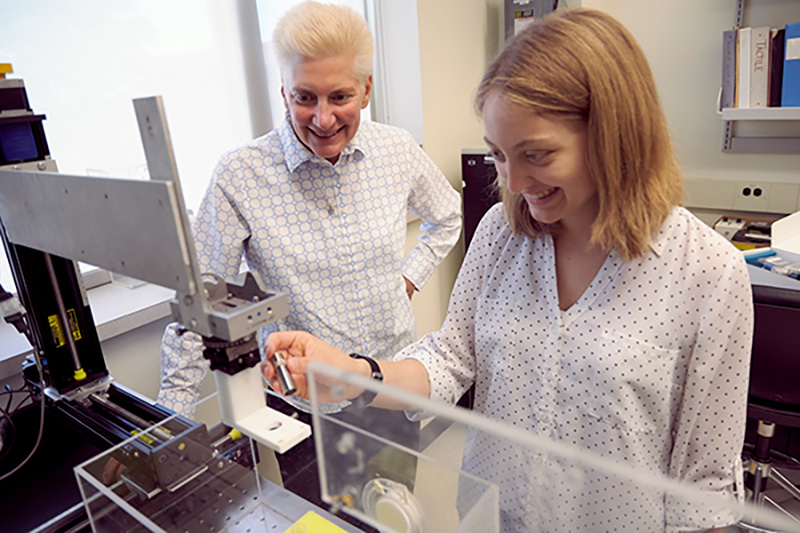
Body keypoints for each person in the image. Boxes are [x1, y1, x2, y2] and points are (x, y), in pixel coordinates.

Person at [262, 7, 753, 533]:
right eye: (498, 155)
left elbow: (705, 488)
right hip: (492, 517)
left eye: (536, 155)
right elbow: (453, 355)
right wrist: (356, 377)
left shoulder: (707, 272)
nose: (514, 181)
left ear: (613, 135)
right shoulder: (502, 231)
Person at [157, 0, 461, 511]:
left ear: (367, 88)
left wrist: (406, 279)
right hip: (302, 405)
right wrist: (169, 431)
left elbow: (447, 216)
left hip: (386, 382)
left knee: (393, 512)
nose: (322, 118)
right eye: (304, 97)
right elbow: (200, 305)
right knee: (329, 520)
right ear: (283, 92)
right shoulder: (240, 175)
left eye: (340, 95)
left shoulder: (398, 151)